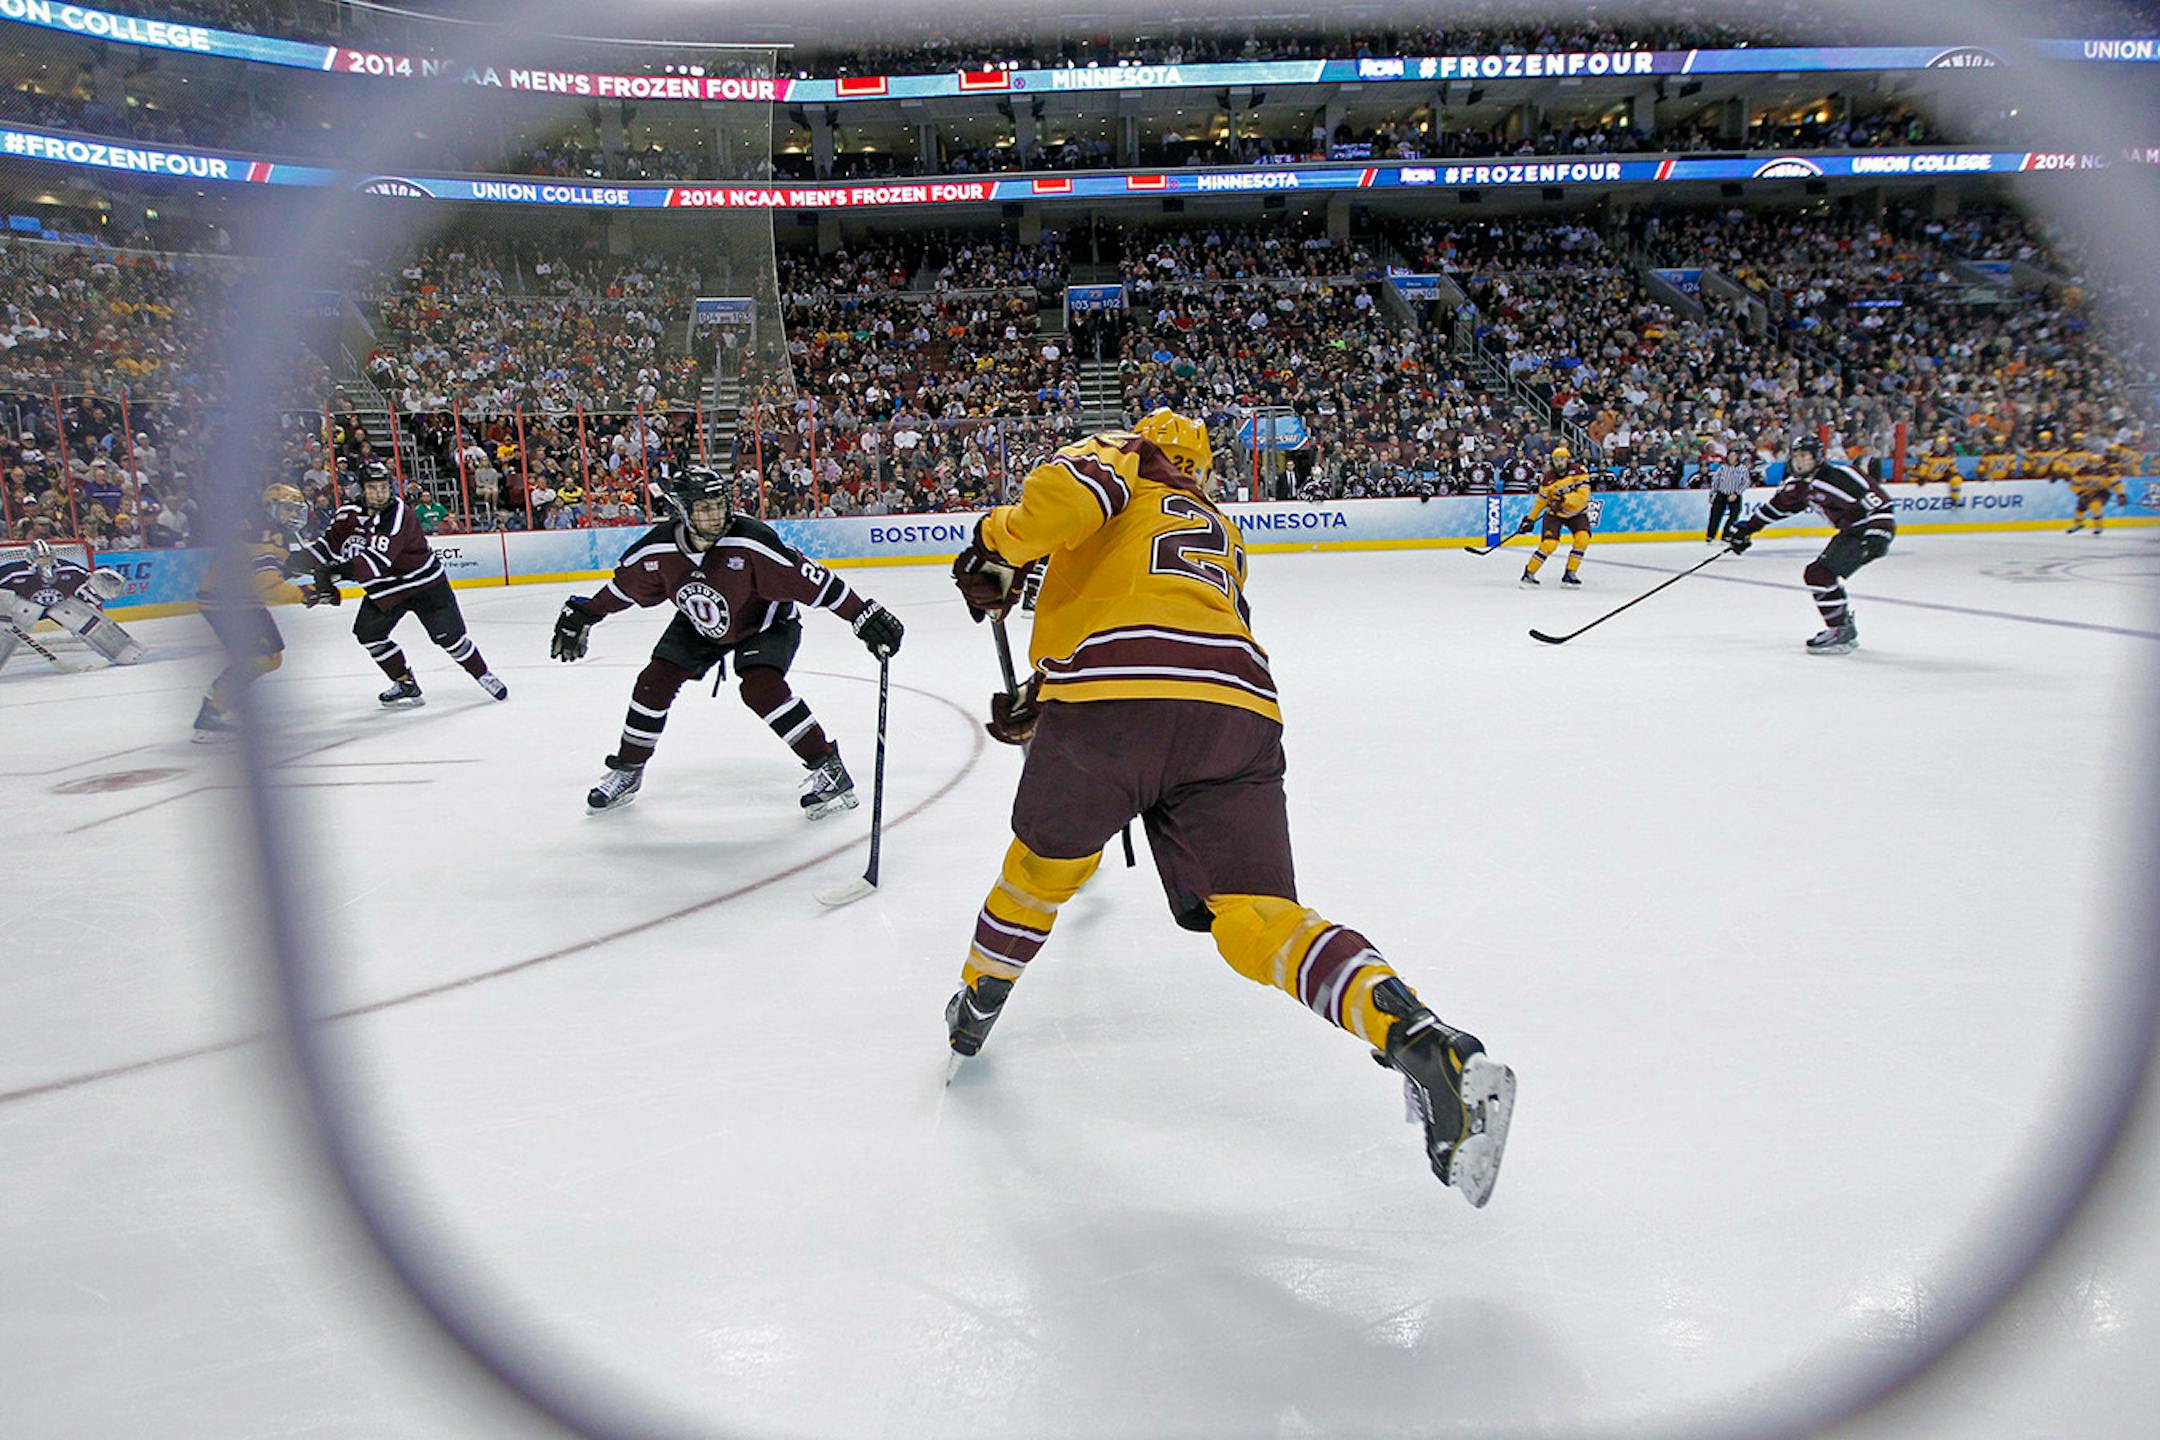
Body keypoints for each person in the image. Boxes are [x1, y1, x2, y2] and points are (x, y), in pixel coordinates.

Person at [942, 408, 1515, 1207]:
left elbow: (1065, 496)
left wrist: (996, 544)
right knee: (1257, 914)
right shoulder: (1219, 526)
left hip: (1112, 707)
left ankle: (978, 998)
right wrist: (1046, 694)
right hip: (1236, 712)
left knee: (1042, 871)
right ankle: (1421, 1038)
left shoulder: (1124, 455)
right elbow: (1170, 620)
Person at [550, 466, 904, 817]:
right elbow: (624, 589)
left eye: (718, 504)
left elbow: (816, 581)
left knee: (760, 687)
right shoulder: (656, 549)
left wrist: (863, 614)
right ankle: (628, 768)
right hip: (699, 623)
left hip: (765, 621)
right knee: (652, 683)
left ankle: (828, 766)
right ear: (682, 511)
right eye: (703, 508)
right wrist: (586, 613)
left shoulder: (751, 540)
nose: (714, 515)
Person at [294, 461, 508, 707]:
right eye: (372, 487)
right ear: (361, 490)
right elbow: (326, 547)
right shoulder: (348, 514)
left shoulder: (397, 514)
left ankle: (483, 675)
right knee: (368, 634)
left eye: (383, 487)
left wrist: (331, 575)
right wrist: (290, 563)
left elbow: (375, 563)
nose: (379, 492)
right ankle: (405, 682)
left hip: (425, 585)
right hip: (385, 590)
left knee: (450, 638)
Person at [1727, 435, 1895, 655]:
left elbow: (1880, 503)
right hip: (1851, 532)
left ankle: (1841, 629)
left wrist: (1879, 533)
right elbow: (1777, 508)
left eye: (1805, 456)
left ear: (1818, 457)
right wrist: (1747, 529)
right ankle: (1842, 626)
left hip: (1867, 531)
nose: (1799, 461)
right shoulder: (1799, 486)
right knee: (1819, 574)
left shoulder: (1842, 476)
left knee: (1819, 574)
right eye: (1796, 456)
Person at [191, 484, 316, 740]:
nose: (293, 514)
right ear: (271, 506)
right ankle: (211, 712)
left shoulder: (265, 528)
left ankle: (222, 700)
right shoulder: (266, 534)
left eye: (295, 509)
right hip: (228, 602)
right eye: (287, 508)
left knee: (270, 658)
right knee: (259, 658)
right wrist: (306, 594)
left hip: (242, 598)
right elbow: (269, 586)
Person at [0, 539, 142, 672]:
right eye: (40, 558)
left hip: (59, 608)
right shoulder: (13, 572)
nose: (44, 562)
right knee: (16, 620)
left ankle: (123, 650)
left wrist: (98, 591)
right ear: (29, 557)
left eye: (47, 557)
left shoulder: (68, 569)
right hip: (21, 611)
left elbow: (89, 585)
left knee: (82, 618)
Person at [1516, 443, 1594, 587]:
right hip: (1555, 514)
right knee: (1549, 544)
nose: (1559, 462)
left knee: (1582, 539)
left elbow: (1583, 496)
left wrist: (1564, 500)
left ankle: (1570, 573)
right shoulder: (1547, 478)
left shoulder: (1579, 471)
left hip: (1577, 512)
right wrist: (1531, 519)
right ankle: (1529, 573)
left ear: (1568, 460)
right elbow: (1541, 501)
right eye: (1556, 459)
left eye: (1562, 459)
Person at [1704, 447, 1753, 543]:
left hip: (1734, 494)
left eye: (1733, 456)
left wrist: (1736, 493)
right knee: (1715, 515)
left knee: (1734, 515)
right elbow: (1715, 481)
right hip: (1721, 493)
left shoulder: (1742, 469)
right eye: (1730, 456)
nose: (1731, 458)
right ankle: (1710, 535)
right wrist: (1712, 494)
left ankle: (1727, 534)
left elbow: (1746, 482)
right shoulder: (1722, 468)